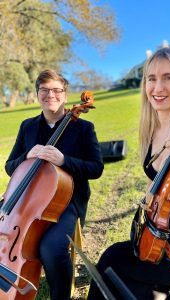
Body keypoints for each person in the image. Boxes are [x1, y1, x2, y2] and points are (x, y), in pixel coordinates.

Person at [87, 47, 170, 300]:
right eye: (151, 78)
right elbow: (157, 186)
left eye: (168, 77)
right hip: (165, 231)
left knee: (113, 261)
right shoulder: (151, 132)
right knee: (131, 278)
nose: (157, 87)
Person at [5, 69, 104, 300]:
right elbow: (10, 166)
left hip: (65, 203)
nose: (51, 95)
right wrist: (27, 155)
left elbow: (96, 168)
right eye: (45, 90)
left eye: (56, 90)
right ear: (37, 94)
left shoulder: (83, 128)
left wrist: (64, 161)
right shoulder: (27, 126)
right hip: (25, 200)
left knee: (51, 249)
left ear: (65, 94)